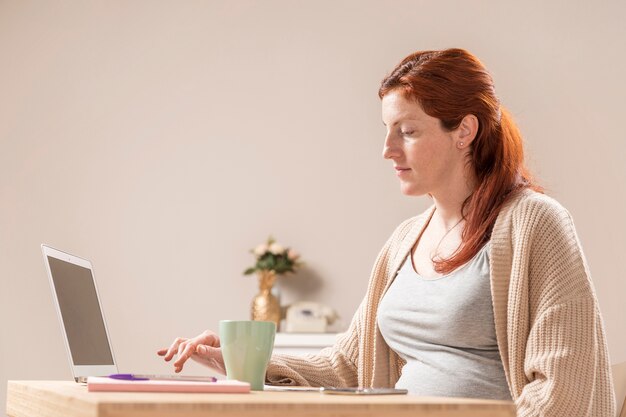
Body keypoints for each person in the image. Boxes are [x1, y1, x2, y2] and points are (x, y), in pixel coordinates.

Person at [158, 48, 615, 416]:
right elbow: (349, 365)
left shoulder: (535, 223)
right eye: (386, 130)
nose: (387, 150)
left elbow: (564, 392)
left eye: (408, 131)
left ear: (465, 131)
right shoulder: (405, 241)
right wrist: (242, 364)